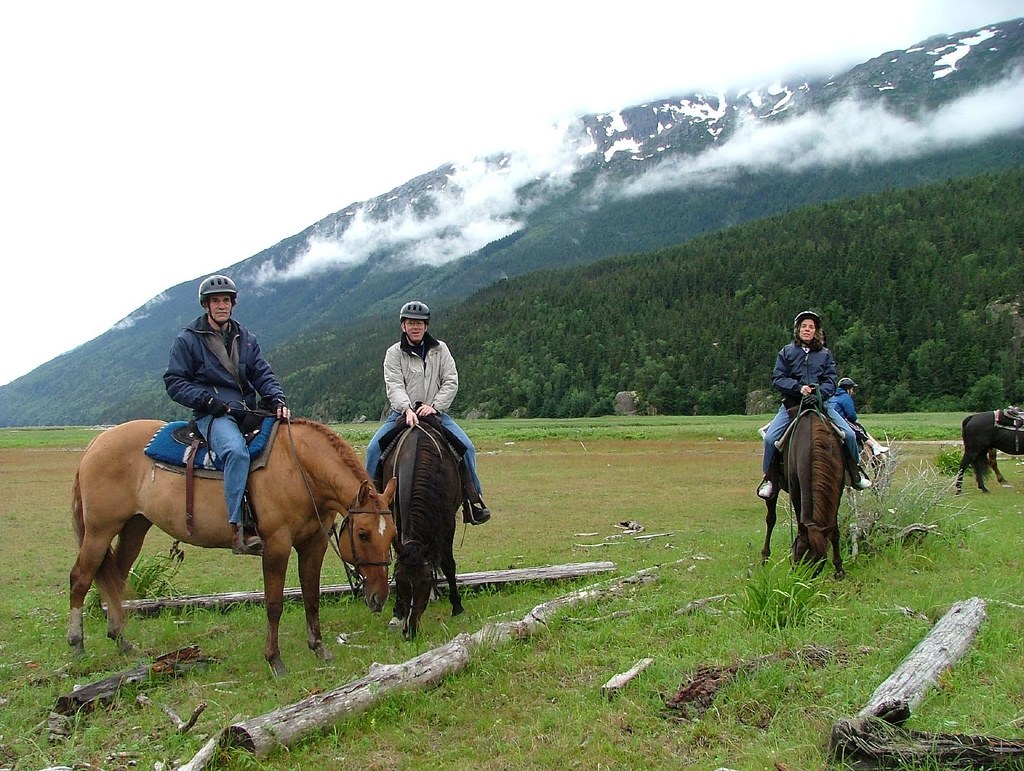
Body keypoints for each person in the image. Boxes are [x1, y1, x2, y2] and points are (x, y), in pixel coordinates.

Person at [164, 274, 291, 555]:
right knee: (236, 451)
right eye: (215, 301)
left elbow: (262, 373)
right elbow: (175, 382)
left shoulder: (245, 337)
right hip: (213, 415)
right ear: (206, 305)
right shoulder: (188, 340)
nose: (221, 305)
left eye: (225, 300)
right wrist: (207, 401)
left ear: (232, 304)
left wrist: (276, 398)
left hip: (245, 411)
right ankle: (238, 528)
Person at [365, 300, 491, 525]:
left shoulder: (440, 350)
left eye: (420, 323)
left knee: (467, 448)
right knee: (373, 449)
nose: (416, 327)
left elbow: (451, 381)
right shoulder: (394, 353)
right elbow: (394, 385)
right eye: (411, 323)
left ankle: (474, 501)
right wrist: (406, 409)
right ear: (403, 326)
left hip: (435, 413)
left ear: (426, 326)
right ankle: (368, 504)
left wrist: (435, 406)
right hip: (402, 414)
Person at [756, 310, 871, 500]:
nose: (807, 330)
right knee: (770, 440)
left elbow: (831, 380)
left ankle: (855, 473)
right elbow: (777, 379)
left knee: (849, 435)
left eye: (811, 327)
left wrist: (818, 394)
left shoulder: (825, 354)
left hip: (821, 404)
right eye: (804, 326)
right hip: (792, 405)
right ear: (798, 329)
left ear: (816, 331)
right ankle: (769, 480)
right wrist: (798, 388)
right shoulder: (786, 352)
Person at [828, 377, 889, 456]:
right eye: (852, 389)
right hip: (841, 419)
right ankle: (874, 446)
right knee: (858, 430)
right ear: (848, 389)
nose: (852, 391)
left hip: (831, 419)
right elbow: (851, 413)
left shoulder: (833, 396)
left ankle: (876, 446)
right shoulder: (845, 397)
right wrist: (854, 420)